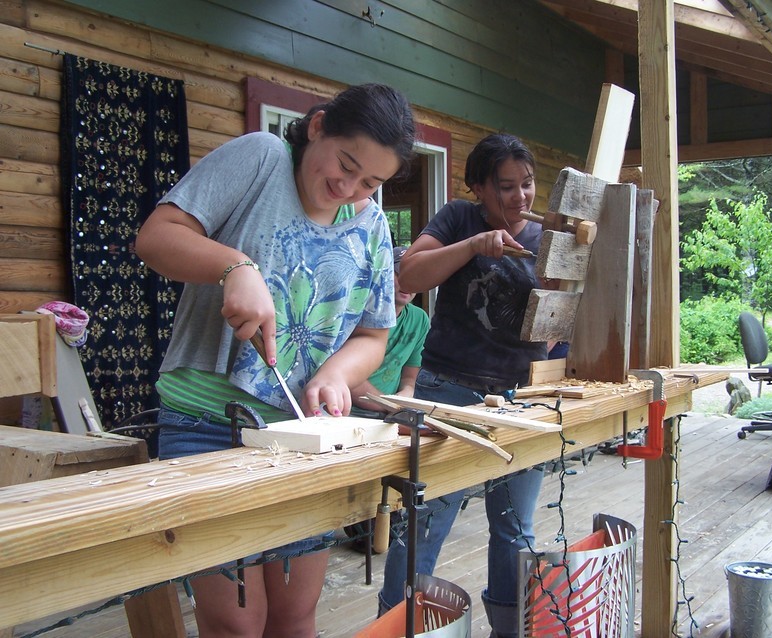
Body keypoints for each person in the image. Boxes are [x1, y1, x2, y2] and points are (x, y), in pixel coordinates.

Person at [135, 83, 415, 638]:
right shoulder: (261, 158)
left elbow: (373, 335)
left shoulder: (372, 224)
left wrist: (338, 372)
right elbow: (155, 237)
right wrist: (233, 266)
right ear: (317, 128)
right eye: (345, 164)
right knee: (238, 622)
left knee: (294, 615)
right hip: (206, 420)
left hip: (299, 433)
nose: (348, 188)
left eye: (370, 182)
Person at [378, 133, 548, 638]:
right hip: (448, 390)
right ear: (477, 187)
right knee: (423, 524)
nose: (521, 197)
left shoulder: (550, 235)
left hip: (522, 397)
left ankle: (509, 630)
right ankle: (396, 628)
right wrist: (475, 244)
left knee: (515, 528)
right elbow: (411, 271)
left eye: (528, 184)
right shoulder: (458, 218)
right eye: (506, 187)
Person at [350, 245, 430, 417]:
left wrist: (405, 396)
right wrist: (390, 405)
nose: (408, 282)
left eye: (416, 276)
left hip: (391, 412)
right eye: (400, 274)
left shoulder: (419, 319)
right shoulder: (355, 313)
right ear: (383, 273)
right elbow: (348, 380)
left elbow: (410, 376)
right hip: (347, 413)